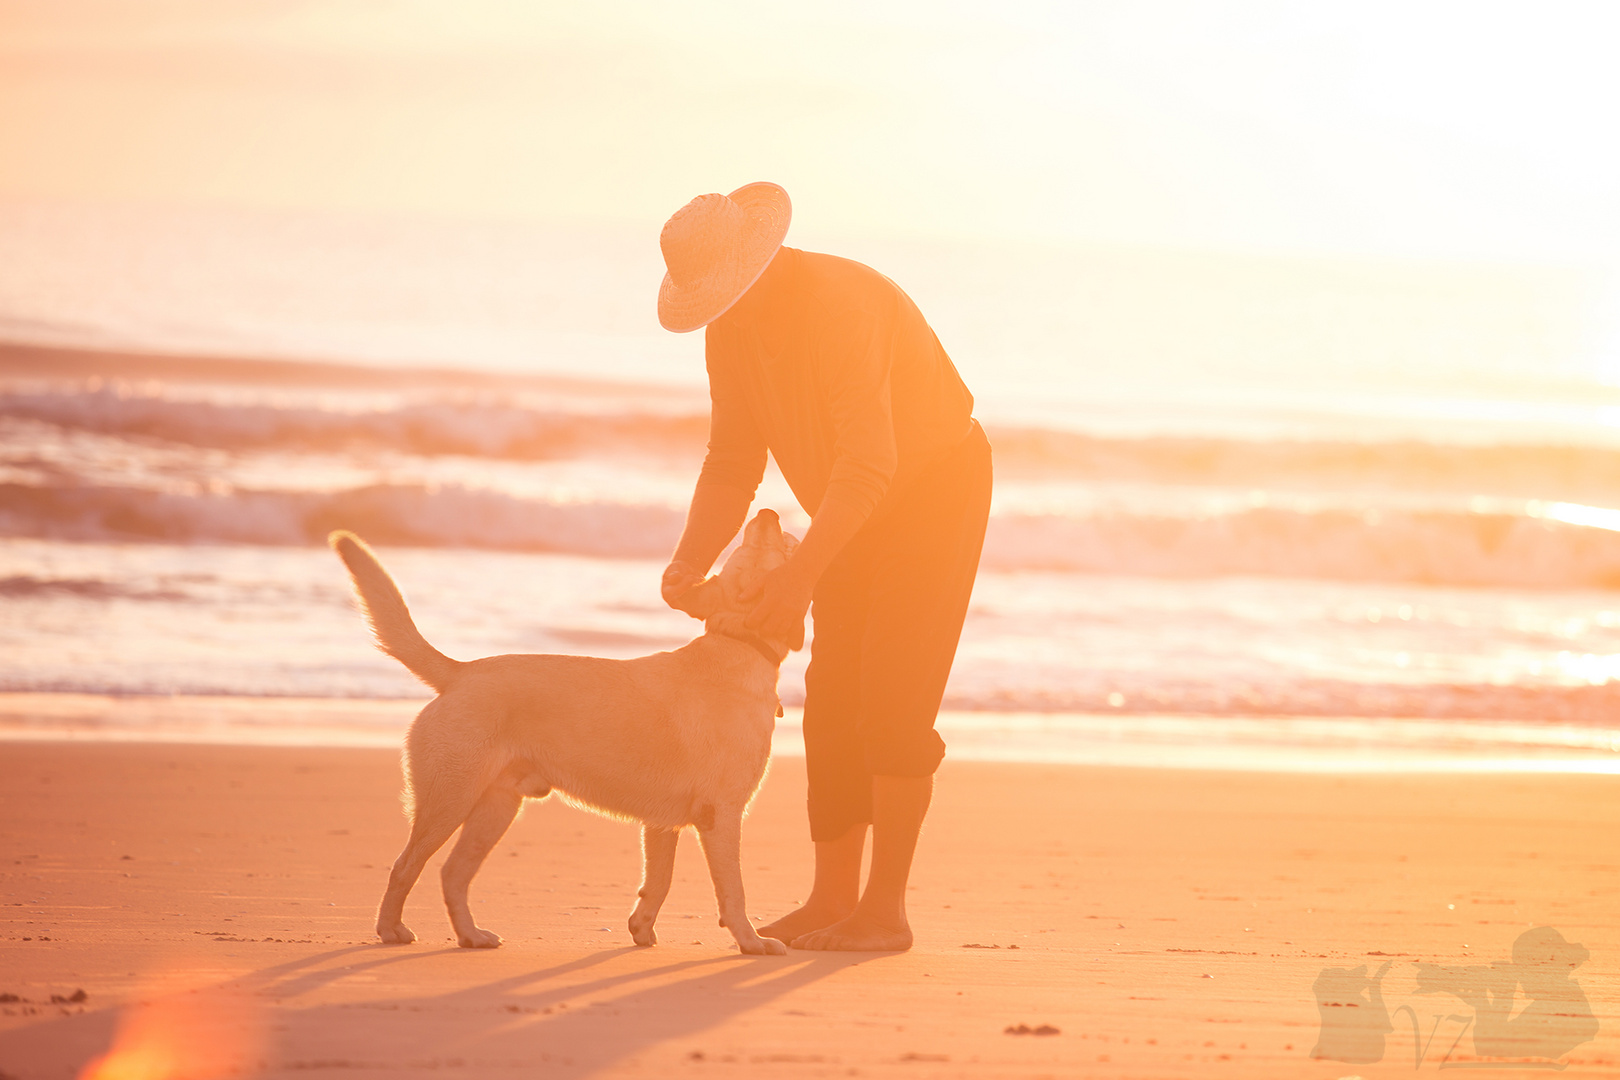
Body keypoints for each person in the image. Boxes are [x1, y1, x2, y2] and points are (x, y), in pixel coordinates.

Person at [657, 182, 992, 951]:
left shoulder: (839, 305)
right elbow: (732, 458)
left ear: (760, 264)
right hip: (854, 502)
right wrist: (686, 564)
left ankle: (885, 912)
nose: (722, 312)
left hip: (934, 487)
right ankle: (833, 898)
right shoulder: (730, 330)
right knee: (832, 691)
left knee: (894, 699)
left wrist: (800, 581)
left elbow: (872, 464)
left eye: (726, 295)